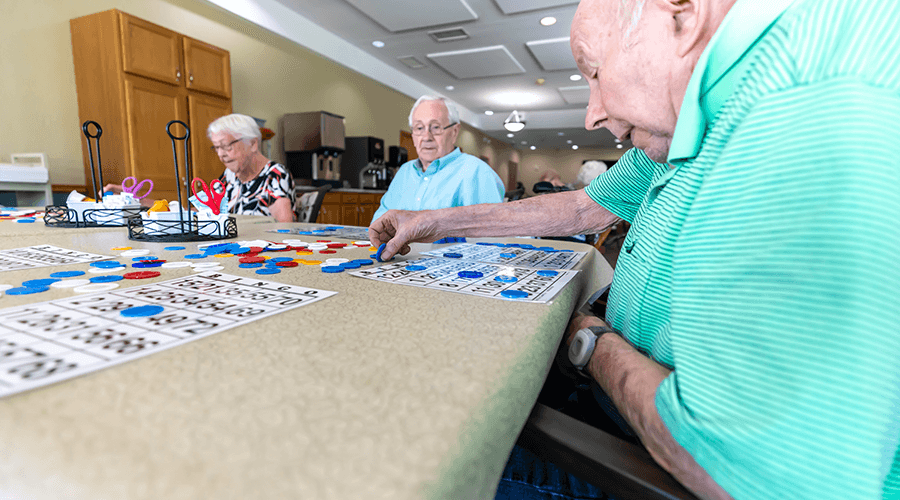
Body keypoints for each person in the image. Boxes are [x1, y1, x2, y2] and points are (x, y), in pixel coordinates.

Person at [369, 0, 900, 498]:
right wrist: (431, 220)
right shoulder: (686, 116)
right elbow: (581, 208)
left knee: (414, 450)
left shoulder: (810, 102)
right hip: (616, 408)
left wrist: (590, 341)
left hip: (645, 462)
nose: (591, 114)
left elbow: (754, 470)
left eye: (595, 72)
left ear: (681, 13)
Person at [104, 113, 296, 223]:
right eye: (217, 148)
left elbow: (285, 228)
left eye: (226, 146)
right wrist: (138, 200)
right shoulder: (229, 177)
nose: (221, 154)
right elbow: (196, 213)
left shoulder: (275, 175)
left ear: (253, 144)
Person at [370, 96, 504, 222]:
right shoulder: (404, 172)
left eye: (435, 127)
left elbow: (492, 230)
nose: (426, 137)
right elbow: (379, 222)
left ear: (454, 132)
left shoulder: (477, 172)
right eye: (419, 128)